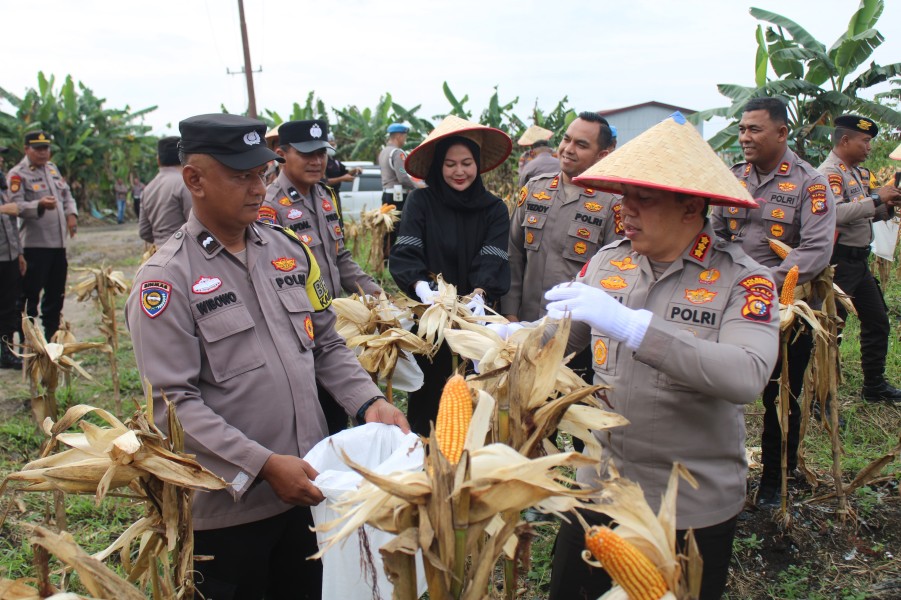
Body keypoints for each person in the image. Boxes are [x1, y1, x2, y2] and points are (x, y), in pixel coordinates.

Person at [125, 113, 409, 600]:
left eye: (260, 172)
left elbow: (326, 343)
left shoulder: (290, 252)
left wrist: (366, 402)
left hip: (311, 488)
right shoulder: (165, 280)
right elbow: (173, 404)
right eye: (240, 176)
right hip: (231, 508)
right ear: (194, 179)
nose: (258, 187)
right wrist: (261, 464)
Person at [539, 112, 778, 600]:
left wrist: (633, 327)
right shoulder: (610, 260)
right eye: (625, 197)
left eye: (643, 199)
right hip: (599, 490)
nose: (626, 210)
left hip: (687, 507)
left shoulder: (743, 280)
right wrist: (512, 340)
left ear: (691, 207)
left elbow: (747, 374)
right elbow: (568, 337)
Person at [710, 97, 836, 509]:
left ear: (781, 133)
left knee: (782, 395)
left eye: (754, 130)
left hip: (787, 308)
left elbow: (815, 249)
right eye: (742, 129)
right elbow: (714, 233)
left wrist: (764, 284)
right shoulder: (731, 178)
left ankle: (774, 481)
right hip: (727, 304)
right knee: (718, 388)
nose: (745, 137)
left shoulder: (810, 184)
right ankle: (722, 472)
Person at [390, 115, 512, 435]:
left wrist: (480, 296)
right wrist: (421, 287)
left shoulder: (494, 209)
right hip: (431, 317)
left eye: (467, 163)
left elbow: (492, 258)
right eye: (450, 164)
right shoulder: (421, 202)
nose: (459, 171)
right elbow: (406, 254)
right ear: (438, 167)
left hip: (477, 318)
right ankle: (424, 458)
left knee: (477, 395)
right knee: (430, 395)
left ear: (478, 165)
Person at [261, 119, 382, 434]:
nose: (317, 161)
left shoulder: (326, 196)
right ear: (281, 154)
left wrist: (374, 292)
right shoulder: (270, 206)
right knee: (316, 418)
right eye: (306, 154)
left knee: (344, 408)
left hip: (334, 328)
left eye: (321, 153)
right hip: (298, 330)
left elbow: (340, 258)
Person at [503, 112, 621, 324]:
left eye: (581, 145)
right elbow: (514, 255)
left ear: (602, 155)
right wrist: (510, 314)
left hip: (576, 337)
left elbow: (613, 276)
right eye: (566, 139)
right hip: (524, 327)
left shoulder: (612, 205)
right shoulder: (534, 190)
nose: (568, 149)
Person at [818, 115, 901, 404]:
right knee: (830, 331)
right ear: (845, 141)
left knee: (877, 320)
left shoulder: (858, 173)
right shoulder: (829, 173)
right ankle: (821, 398)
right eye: (864, 141)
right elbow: (836, 213)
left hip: (858, 263)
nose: (868, 147)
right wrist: (877, 200)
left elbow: (864, 213)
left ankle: (874, 386)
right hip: (837, 264)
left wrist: (887, 206)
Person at [9, 131, 78, 341]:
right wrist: (38, 204)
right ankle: (28, 341)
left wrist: (71, 214)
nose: (43, 152)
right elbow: (15, 206)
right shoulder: (18, 174)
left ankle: (52, 339)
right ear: (26, 149)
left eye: (46, 148)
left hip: (58, 245)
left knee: (55, 295)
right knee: (29, 297)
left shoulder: (52, 168)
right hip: (34, 246)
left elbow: (66, 194)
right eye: (38, 148)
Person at [138, 136, 193, 247]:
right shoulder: (185, 184)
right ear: (185, 159)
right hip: (184, 253)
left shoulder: (148, 189)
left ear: (158, 160)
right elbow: (196, 225)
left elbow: (144, 231)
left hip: (160, 254)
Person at [0, 190, 24, 369]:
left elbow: (12, 225)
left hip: (9, 257)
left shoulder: (3, 188)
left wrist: (19, 254)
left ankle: (7, 351)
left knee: (8, 307)